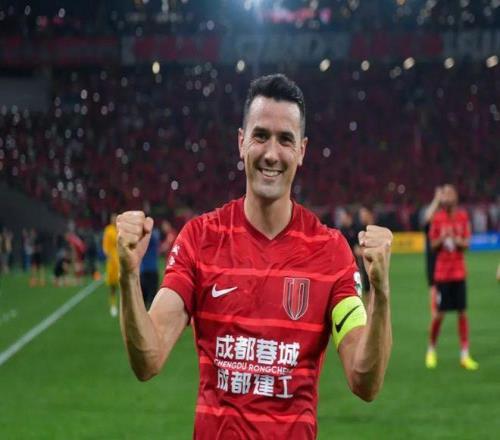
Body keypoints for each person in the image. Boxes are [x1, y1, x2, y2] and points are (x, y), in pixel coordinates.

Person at [117, 74, 393, 439]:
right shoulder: (200, 239)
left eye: (285, 139)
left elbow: (364, 381)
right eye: (260, 136)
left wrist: (381, 295)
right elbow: (148, 359)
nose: (271, 154)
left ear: (302, 151)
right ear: (241, 142)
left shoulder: (331, 252)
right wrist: (129, 277)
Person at [425, 184, 478, 370]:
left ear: (455, 197)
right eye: (444, 194)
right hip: (442, 275)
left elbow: (467, 243)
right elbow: (433, 245)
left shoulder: (463, 217)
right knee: (439, 314)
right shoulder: (437, 218)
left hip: (459, 273)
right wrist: (442, 238)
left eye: (449, 194)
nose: (446, 197)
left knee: (462, 313)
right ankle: (431, 350)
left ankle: (464, 354)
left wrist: (455, 239)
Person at [422, 187, 443, 318]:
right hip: (432, 257)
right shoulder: (430, 220)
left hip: (445, 258)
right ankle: (435, 312)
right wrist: (437, 199)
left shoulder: (445, 216)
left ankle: (440, 310)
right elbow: (427, 217)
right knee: (433, 286)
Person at [103, 214, 119, 317]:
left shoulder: (121, 229)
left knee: (124, 285)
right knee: (113, 286)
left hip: (121, 259)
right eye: (113, 219)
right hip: (112, 261)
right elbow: (105, 246)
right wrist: (108, 255)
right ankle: (113, 305)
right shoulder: (108, 230)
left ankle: (123, 305)